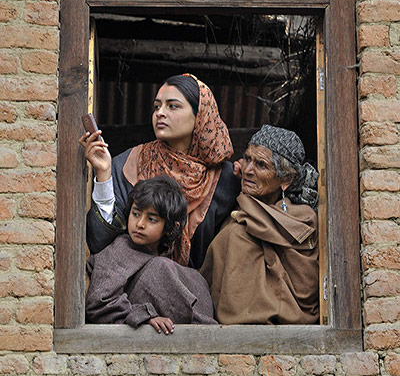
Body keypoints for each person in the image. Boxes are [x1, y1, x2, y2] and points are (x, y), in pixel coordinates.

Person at [80, 74, 239, 267]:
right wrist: (104, 174)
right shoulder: (129, 164)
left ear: (201, 115)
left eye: (173, 106)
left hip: (196, 292)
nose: (160, 113)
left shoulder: (225, 179)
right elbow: (99, 242)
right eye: (157, 106)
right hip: (130, 291)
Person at [200, 124, 319, 325]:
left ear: (286, 179)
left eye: (261, 165)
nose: (247, 170)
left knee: (238, 235)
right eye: (247, 159)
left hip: (284, 321)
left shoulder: (301, 218)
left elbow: (305, 289)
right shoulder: (242, 210)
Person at [86, 175, 217, 333]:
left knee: (196, 278)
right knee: (160, 267)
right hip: (126, 333)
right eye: (136, 214)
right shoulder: (121, 249)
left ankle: (206, 329)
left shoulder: (164, 255)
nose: (140, 224)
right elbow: (98, 301)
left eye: (152, 219)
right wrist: (144, 316)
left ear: (169, 227)